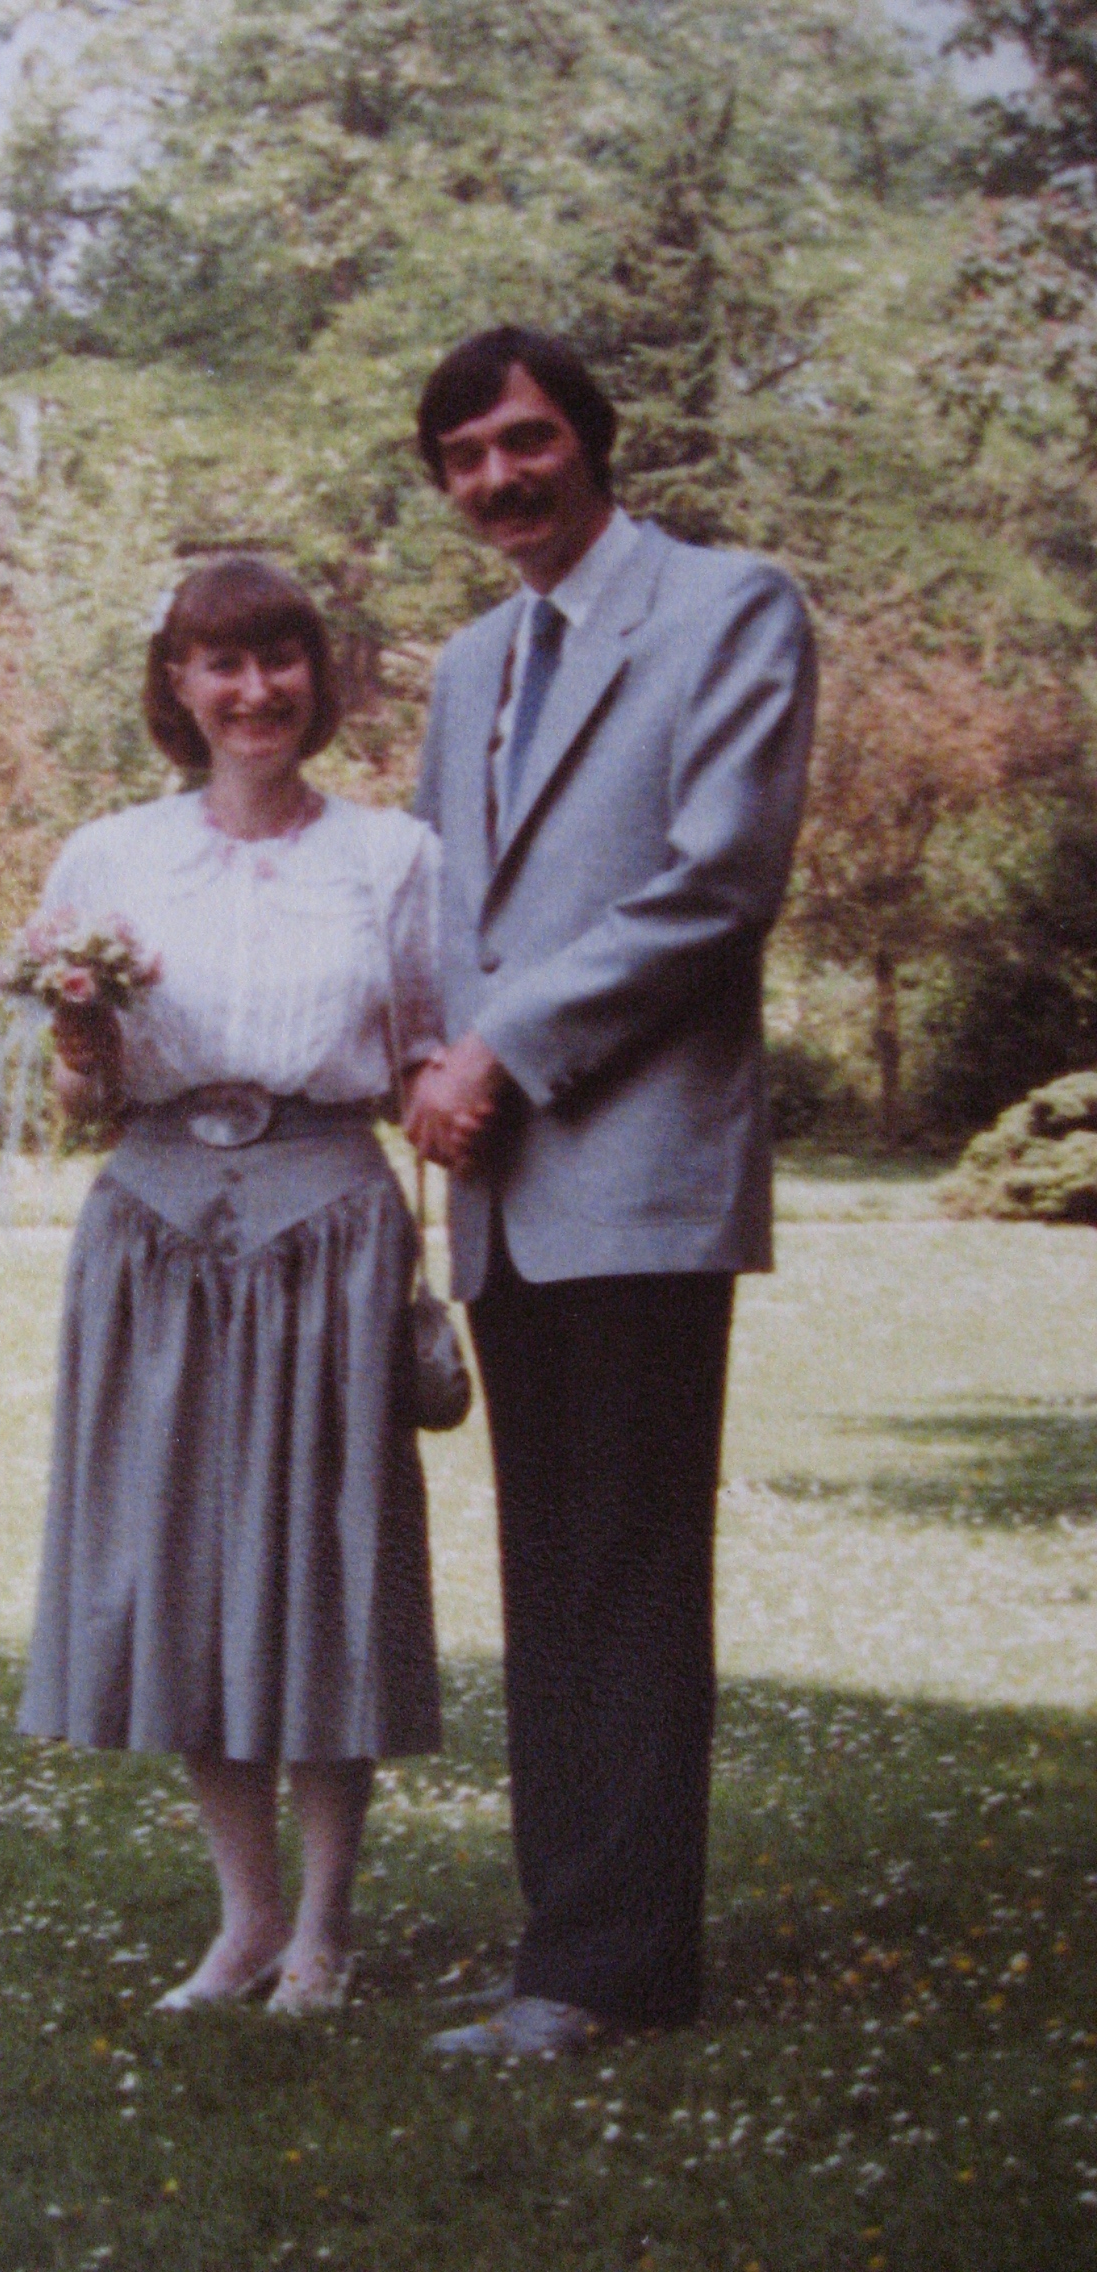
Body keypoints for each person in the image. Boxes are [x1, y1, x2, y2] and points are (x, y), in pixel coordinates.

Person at [403, 327, 816, 2056]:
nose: (500, 478)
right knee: (551, 1575)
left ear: (590, 437)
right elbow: (445, 908)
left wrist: (499, 1050)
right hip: (504, 1191)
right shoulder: (468, 664)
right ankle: (565, 1947)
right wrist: (417, 1060)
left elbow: (716, 884)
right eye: (465, 458)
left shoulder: (728, 608)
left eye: (525, 439)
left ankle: (610, 1973)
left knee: (629, 1572)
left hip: (639, 1170)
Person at [18, 557, 444, 2016]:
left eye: (281, 660)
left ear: (317, 677)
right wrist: (82, 1047)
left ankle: (325, 1926)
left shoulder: (392, 857)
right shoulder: (108, 856)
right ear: (178, 685)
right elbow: (82, 1096)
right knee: (189, 1563)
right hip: (154, 1227)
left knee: (320, 1563)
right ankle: (245, 1919)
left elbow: (428, 1059)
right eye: (223, 664)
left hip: (323, 1228)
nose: (256, 691)